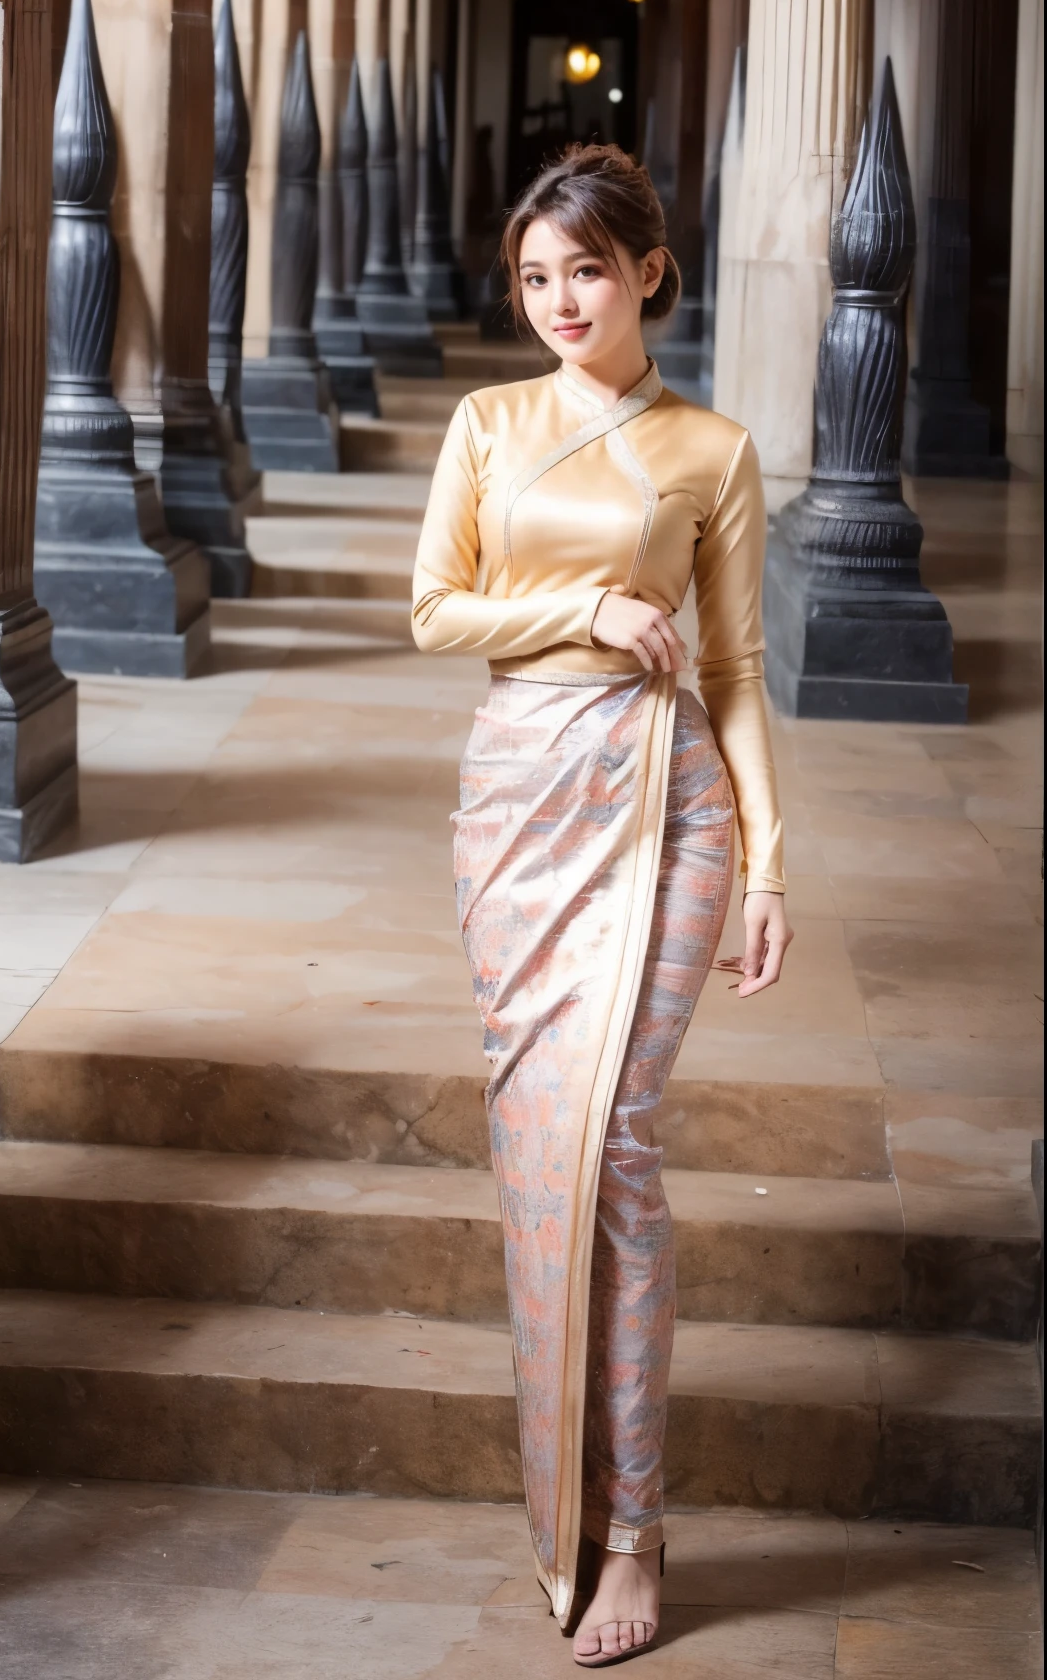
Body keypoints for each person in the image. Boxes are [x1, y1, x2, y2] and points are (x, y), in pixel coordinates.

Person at [411, 142, 792, 1668]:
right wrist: (586, 605)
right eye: (535, 276)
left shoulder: (714, 450)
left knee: (618, 1135)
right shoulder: (490, 422)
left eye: (587, 268)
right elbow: (435, 609)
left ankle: (632, 1527)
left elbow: (743, 674)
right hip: (520, 804)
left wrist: (770, 859)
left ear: (649, 269)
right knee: (536, 1145)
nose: (560, 299)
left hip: (668, 804)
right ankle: (553, 1495)